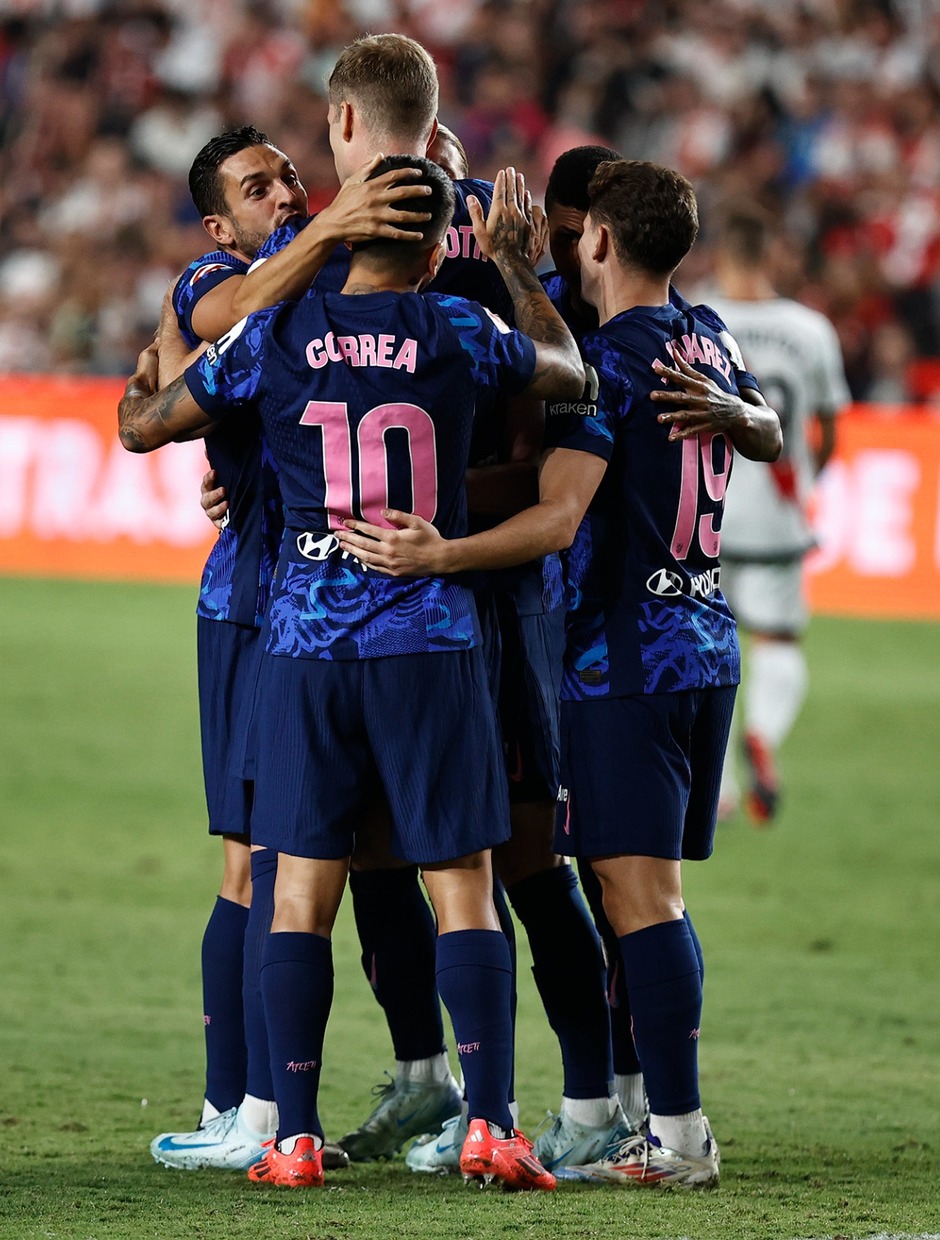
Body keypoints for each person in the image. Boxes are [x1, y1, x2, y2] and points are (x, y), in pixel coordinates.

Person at [119, 157, 583, 1191]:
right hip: (429, 637)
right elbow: (568, 372)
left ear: (347, 231)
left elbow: (147, 425)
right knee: (460, 880)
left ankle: (289, 1136)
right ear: (432, 251)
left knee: (302, 896)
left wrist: (164, 333)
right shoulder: (459, 330)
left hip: (303, 648)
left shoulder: (276, 332)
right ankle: (490, 1126)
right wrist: (511, 269)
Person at [337, 158, 783, 1187]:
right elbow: (761, 430)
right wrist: (738, 416)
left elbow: (559, 512)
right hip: (705, 641)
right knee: (635, 892)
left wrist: (436, 550)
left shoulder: (612, 364)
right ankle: (638, 1115)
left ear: (597, 243)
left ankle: (675, 1133)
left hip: (623, 655)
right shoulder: (705, 336)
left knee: (639, 898)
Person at [243, 35, 623, 1172]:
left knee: (519, 857)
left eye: (441, 179)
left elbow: (562, 469)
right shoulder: (467, 316)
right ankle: (435, 1083)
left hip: (482, 615)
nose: (429, 195)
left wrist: (443, 530)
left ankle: (600, 1097)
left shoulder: (434, 305)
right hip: (423, 622)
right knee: (378, 858)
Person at [148, 124, 429, 1174]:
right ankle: (243, 1108)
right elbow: (212, 328)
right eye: (257, 187)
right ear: (220, 221)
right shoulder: (219, 276)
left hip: (329, 608)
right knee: (250, 860)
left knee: (335, 855)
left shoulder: (330, 266)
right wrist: (327, 231)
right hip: (251, 604)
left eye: (288, 177)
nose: (286, 192)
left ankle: (278, 1105)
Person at [705, 201, 849, 823]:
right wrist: (808, 480)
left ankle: (719, 788)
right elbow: (829, 426)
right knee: (778, 636)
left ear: (722, 254)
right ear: (771, 254)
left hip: (703, 514)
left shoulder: (697, 318)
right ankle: (761, 734)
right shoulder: (810, 328)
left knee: (708, 641)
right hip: (777, 514)